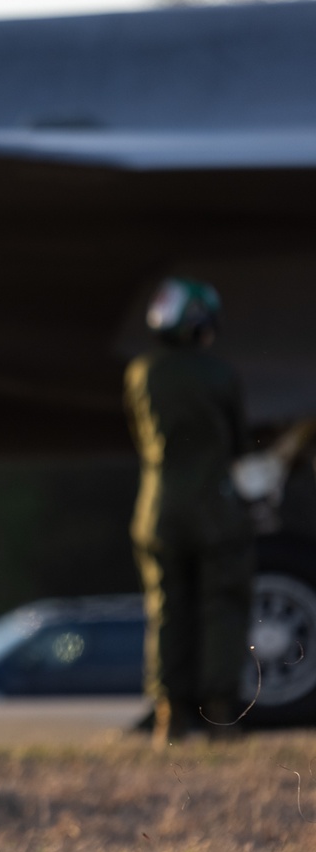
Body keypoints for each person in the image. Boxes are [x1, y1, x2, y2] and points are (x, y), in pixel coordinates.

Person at [124, 277, 253, 748]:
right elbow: (239, 444)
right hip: (213, 508)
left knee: (165, 609)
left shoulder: (141, 372)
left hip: (156, 509)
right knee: (222, 606)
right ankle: (220, 714)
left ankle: (168, 716)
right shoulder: (219, 374)